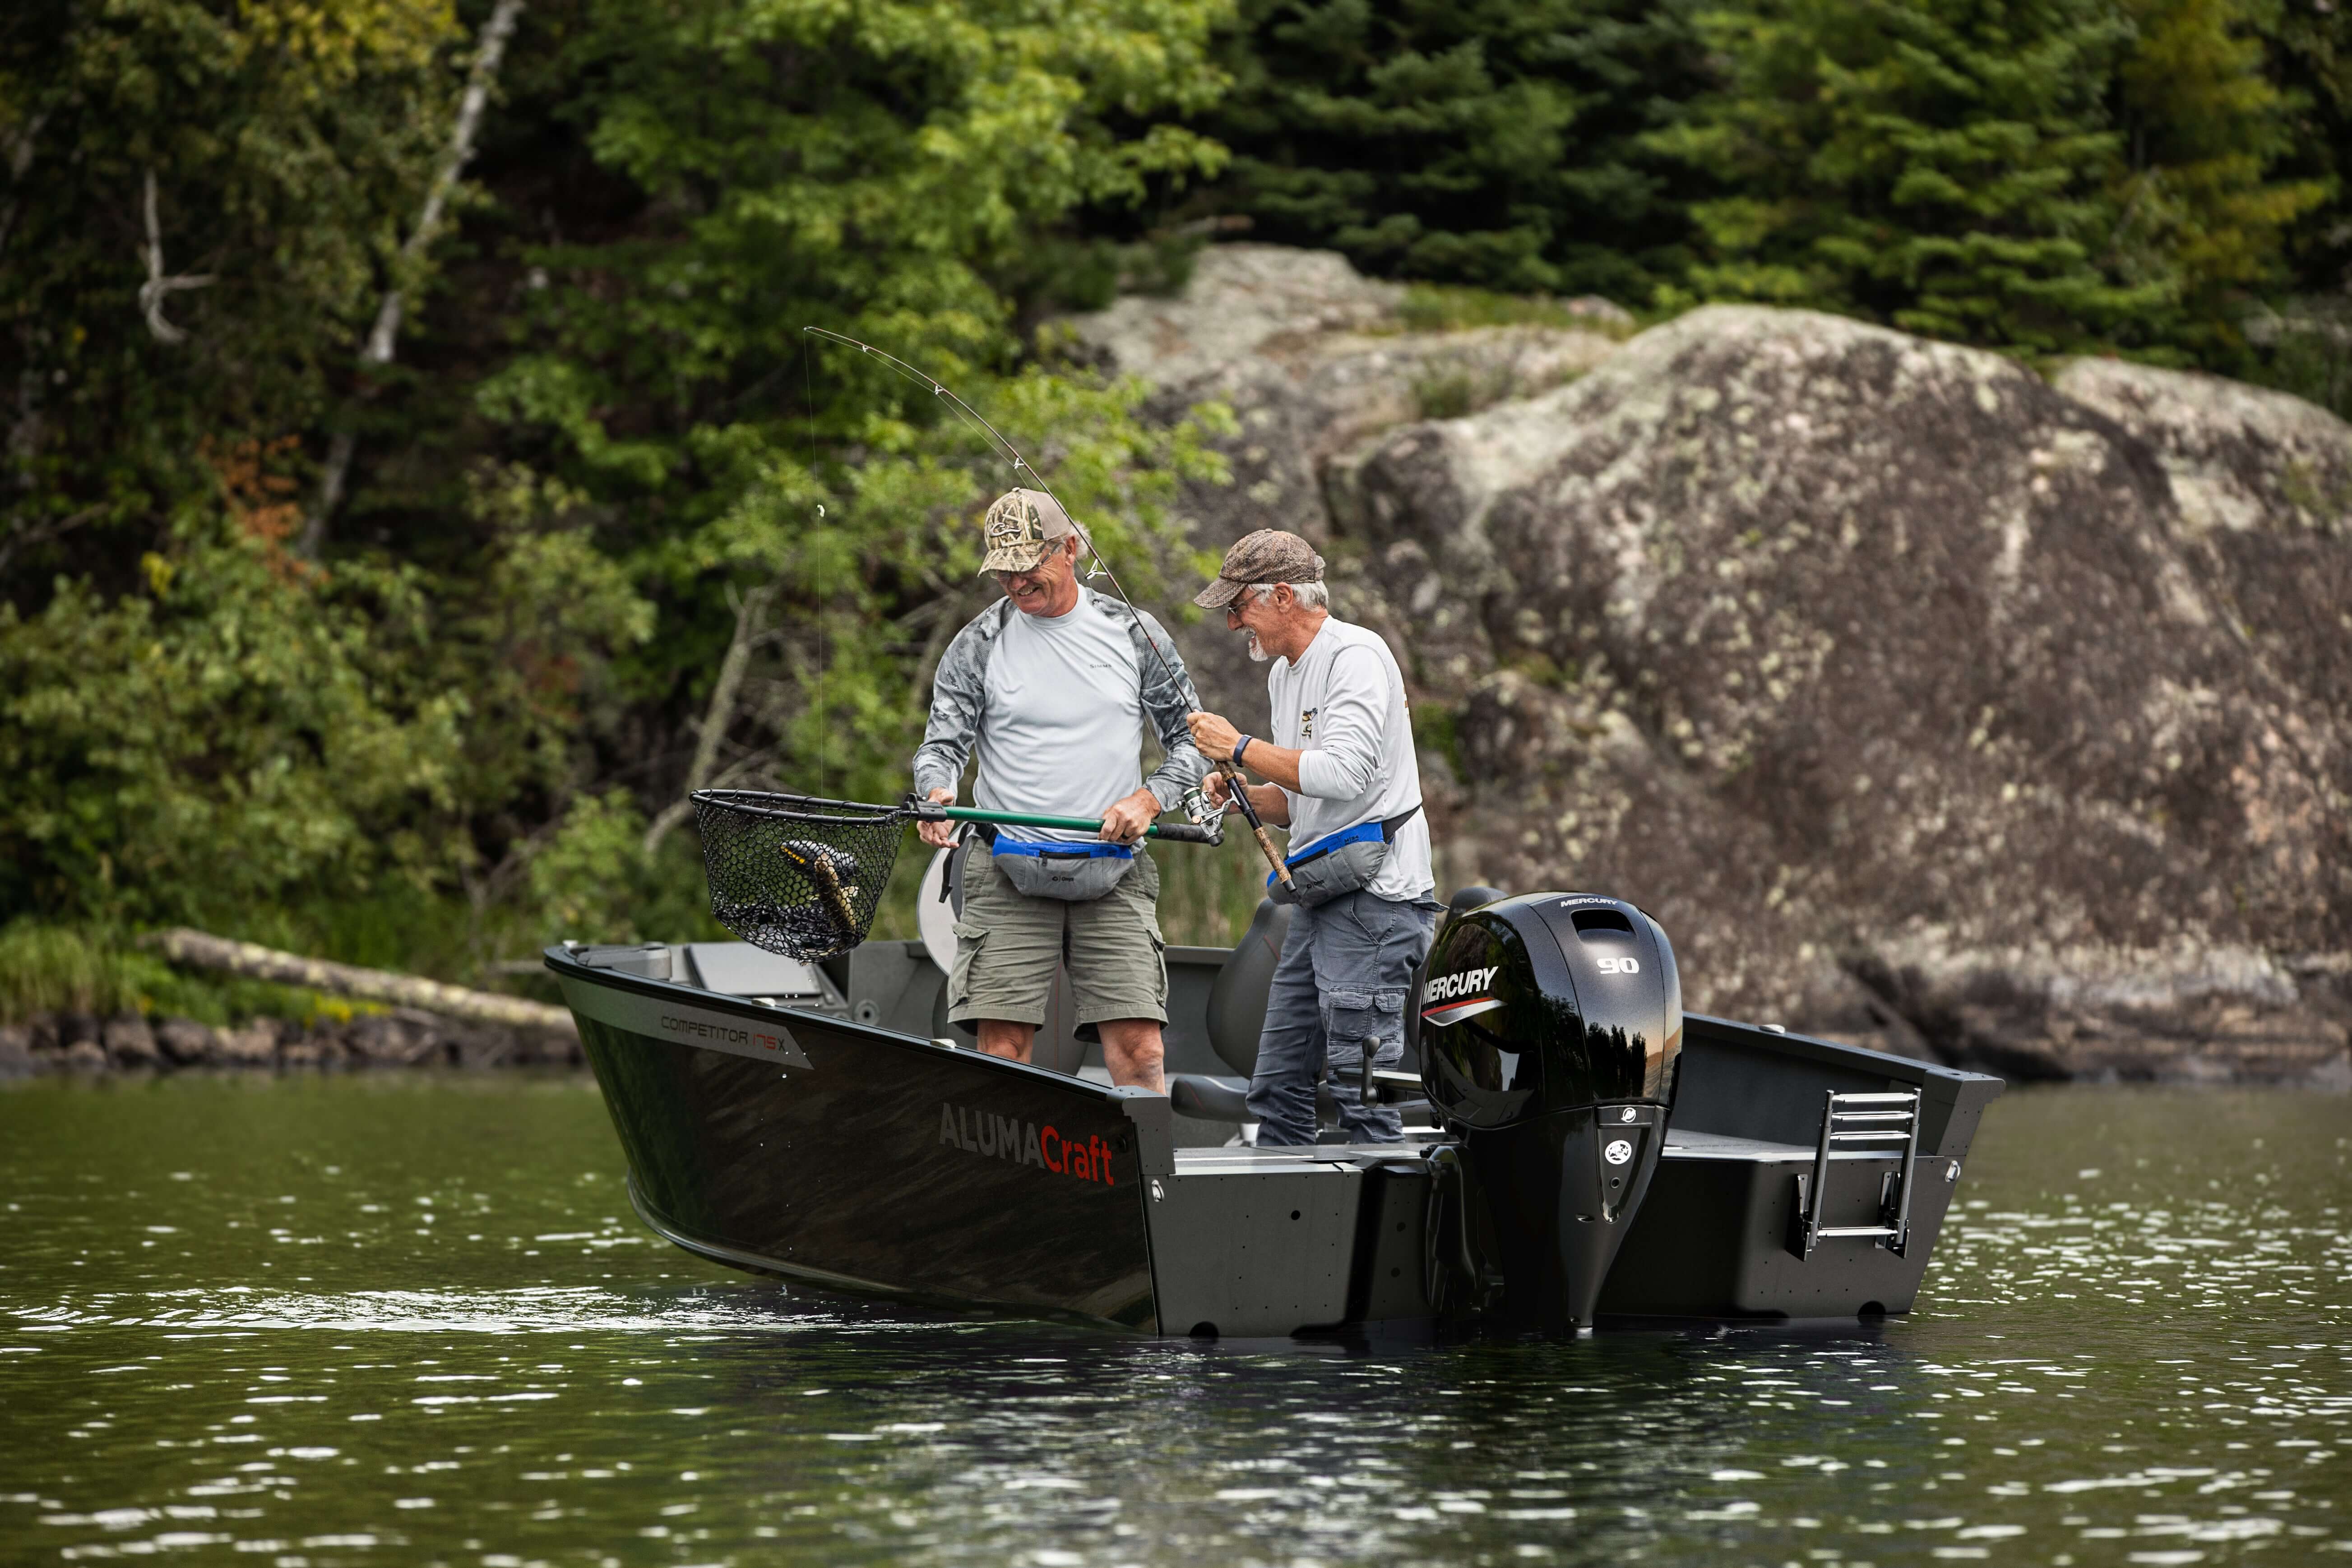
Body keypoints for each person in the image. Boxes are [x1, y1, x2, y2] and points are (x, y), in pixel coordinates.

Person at [910, 488, 1206, 1091]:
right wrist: (934, 791)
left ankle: (1146, 1182)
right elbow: (942, 746)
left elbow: (1196, 743)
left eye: (1028, 567)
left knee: (1142, 1050)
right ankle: (1002, 1186)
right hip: (1006, 867)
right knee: (1003, 1048)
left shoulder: (1134, 633)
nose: (1017, 584)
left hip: (1115, 869)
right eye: (1003, 573)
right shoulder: (978, 643)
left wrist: (1148, 800)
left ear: (1070, 548)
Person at [1184, 530, 1438, 1144]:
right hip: (1321, 900)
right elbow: (1304, 803)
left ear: (1281, 597)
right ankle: (1280, 1223)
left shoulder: (1356, 657)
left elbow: (1346, 774)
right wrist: (1246, 791)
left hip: (1377, 903)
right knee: (1277, 1085)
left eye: (1237, 607)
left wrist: (1239, 746)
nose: (1232, 624)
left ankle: (1379, 1230)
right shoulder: (1283, 677)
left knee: (1359, 1091)